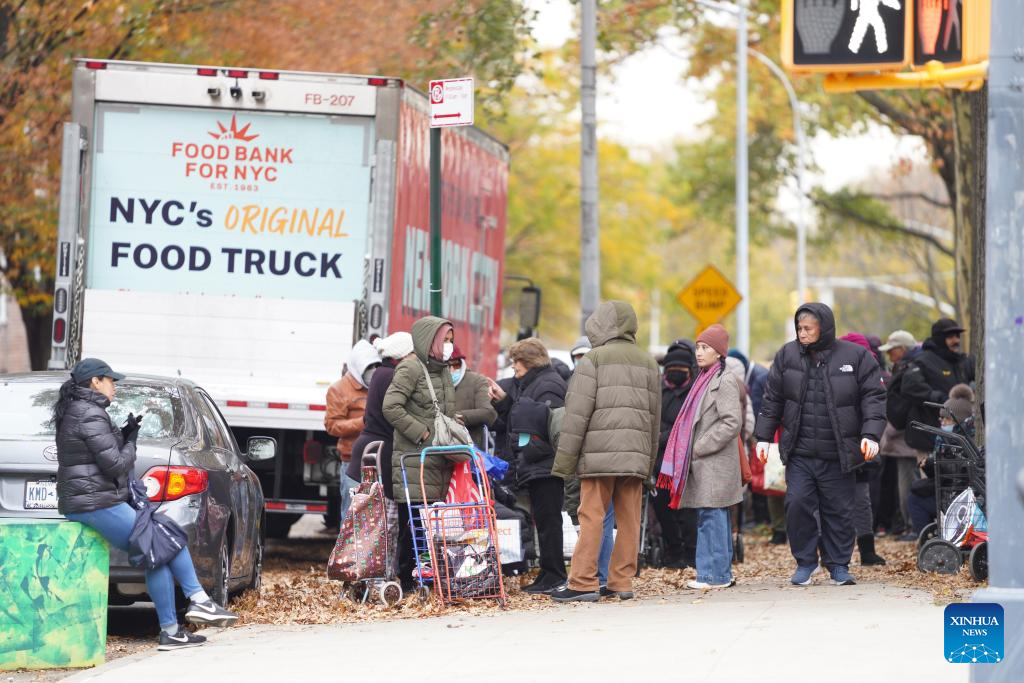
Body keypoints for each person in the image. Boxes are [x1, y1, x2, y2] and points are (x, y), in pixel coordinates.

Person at [54, 358, 236, 650]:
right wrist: (131, 443)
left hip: (93, 499)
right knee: (162, 538)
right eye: (110, 380)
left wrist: (123, 436)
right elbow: (115, 465)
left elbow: (97, 457)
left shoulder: (80, 410)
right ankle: (199, 600)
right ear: (95, 382)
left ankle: (171, 631)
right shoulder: (89, 413)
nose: (114, 386)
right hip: (96, 503)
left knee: (157, 551)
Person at [754, 303, 886, 587]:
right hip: (800, 452)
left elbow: (874, 397)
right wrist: (763, 437)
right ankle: (806, 562)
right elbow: (772, 399)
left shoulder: (856, 356)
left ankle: (838, 564)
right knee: (797, 504)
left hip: (839, 453)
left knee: (838, 510)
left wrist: (871, 434)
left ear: (823, 328)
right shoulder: (787, 355)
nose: (802, 333)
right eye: (799, 328)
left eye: (808, 328)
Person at [550, 301, 661, 602]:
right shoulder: (648, 362)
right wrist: (648, 465)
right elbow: (654, 418)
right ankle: (621, 581)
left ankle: (584, 581)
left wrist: (565, 462)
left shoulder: (593, 359)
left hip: (598, 455)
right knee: (628, 521)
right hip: (635, 455)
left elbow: (576, 415)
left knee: (592, 517)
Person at [383, 316, 468, 589]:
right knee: (415, 525)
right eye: (444, 339)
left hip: (439, 460)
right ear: (429, 340)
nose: (448, 346)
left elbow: (436, 409)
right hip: (414, 460)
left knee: (435, 525)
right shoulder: (410, 368)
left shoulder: (442, 370)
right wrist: (422, 433)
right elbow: (391, 407)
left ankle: (431, 580)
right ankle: (409, 581)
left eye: (451, 340)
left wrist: (451, 423)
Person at [660, 325, 743, 590]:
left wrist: (699, 446)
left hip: (714, 461)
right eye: (698, 346)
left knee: (711, 517)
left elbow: (732, 422)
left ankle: (713, 576)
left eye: (705, 347)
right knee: (712, 516)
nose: (699, 352)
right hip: (707, 463)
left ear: (719, 352)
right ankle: (719, 573)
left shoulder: (724, 380)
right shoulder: (704, 379)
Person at [488, 337, 568, 595]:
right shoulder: (535, 383)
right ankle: (548, 571)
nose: (514, 369)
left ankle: (554, 574)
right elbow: (522, 418)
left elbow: (552, 426)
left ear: (529, 362)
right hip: (537, 463)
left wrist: (532, 451)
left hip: (544, 464)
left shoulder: (548, 386)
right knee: (543, 521)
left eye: (516, 363)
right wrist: (504, 403)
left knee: (549, 520)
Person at [346, 332, 415, 501]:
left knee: (364, 522)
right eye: (414, 354)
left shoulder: (381, 372)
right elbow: (394, 413)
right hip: (378, 456)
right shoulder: (392, 376)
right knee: (373, 522)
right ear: (403, 355)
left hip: (369, 451)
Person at [839, 332, 887, 566]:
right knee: (861, 499)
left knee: (843, 500)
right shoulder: (871, 368)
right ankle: (865, 550)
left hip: (850, 442)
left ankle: (840, 553)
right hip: (860, 442)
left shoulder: (844, 367)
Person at [652, 341, 700, 569]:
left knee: (689, 508)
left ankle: (691, 552)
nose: (677, 374)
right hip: (662, 463)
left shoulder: (697, 391)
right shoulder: (658, 393)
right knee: (663, 506)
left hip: (688, 461)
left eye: (682, 369)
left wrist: (666, 435)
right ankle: (674, 550)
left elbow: (692, 425)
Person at [325, 339, 381, 523]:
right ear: (357, 368)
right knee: (352, 517)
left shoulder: (380, 385)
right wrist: (363, 422)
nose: (373, 370)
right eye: (369, 367)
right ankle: (349, 552)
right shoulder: (339, 390)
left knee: (376, 519)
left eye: (376, 365)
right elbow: (332, 425)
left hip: (380, 461)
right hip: (352, 462)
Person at [901, 318, 974, 454]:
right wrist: (940, 399)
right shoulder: (924, 361)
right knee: (931, 475)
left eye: (957, 336)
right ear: (940, 338)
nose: (956, 340)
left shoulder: (960, 361)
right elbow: (910, 386)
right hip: (929, 440)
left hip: (959, 441)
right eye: (950, 336)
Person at [877, 329, 922, 541]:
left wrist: (894, 422)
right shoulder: (907, 367)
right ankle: (910, 525)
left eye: (891, 351)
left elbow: (904, 402)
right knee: (906, 483)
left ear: (902, 349)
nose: (888, 355)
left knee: (909, 483)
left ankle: (913, 526)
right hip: (904, 436)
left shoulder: (910, 369)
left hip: (904, 437)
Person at [449, 344, 498, 448]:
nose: (452, 370)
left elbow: (489, 413)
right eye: (447, 366)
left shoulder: (477, 381)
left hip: (469, 448)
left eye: (456, 365)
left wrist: (458, 417)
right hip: (437, 449)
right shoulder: (431, 383)